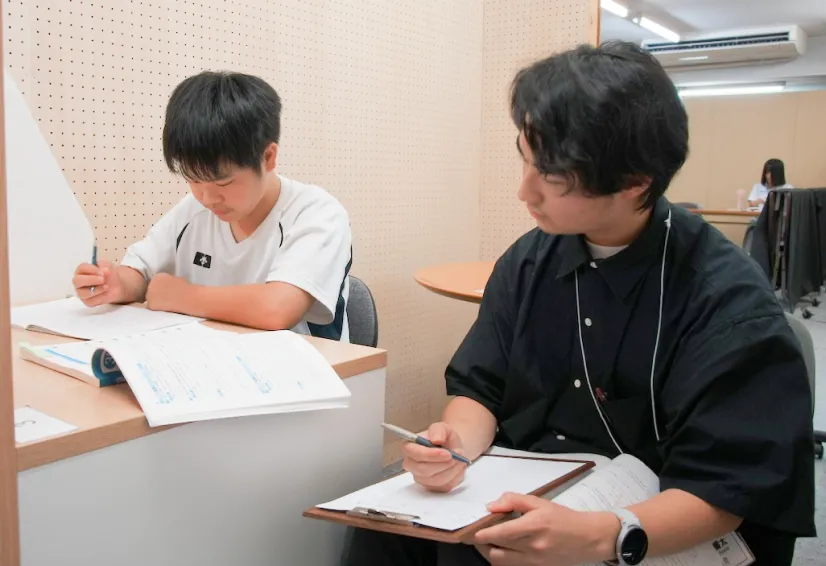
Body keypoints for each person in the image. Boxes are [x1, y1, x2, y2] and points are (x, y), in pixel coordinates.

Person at [343, 41, 815, 565]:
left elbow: (726, 490)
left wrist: (597, 536)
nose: (525, 192)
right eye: (525, 159)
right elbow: (481, 388)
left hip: (657, 517)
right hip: (542, 484)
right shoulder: (528, 262)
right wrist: (455, 444)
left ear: (635, 183)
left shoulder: (724, 300)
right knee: (386, 531)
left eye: (552, 176)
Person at [71, 71, 353, 341]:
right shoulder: (193, 211)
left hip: (302, 367)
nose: (207, 198)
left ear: (268, 157)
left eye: (223, 183)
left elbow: (277, 309)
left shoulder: (316, 213)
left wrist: (180, 296)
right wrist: (116, 284)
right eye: (193, 180)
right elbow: (142, 274)